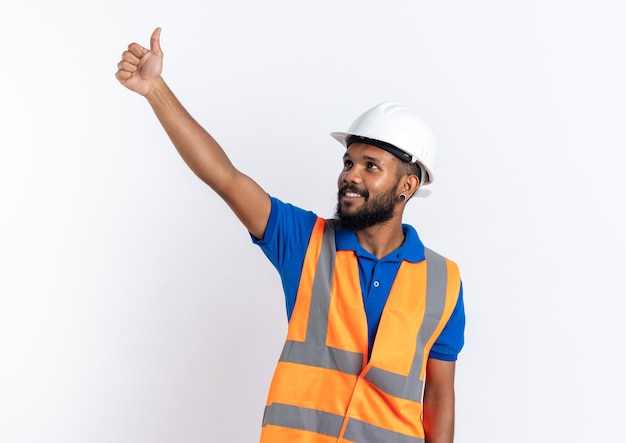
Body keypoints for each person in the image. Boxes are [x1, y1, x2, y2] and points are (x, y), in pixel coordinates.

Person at [115, 27, 465, 443]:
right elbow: (225, 178)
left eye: (371, 166)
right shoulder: (305, 242)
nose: (350, 175)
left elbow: (439, 397)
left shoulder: (444, 282)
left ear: (406, 186)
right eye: (348, 162)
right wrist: (155, 90)